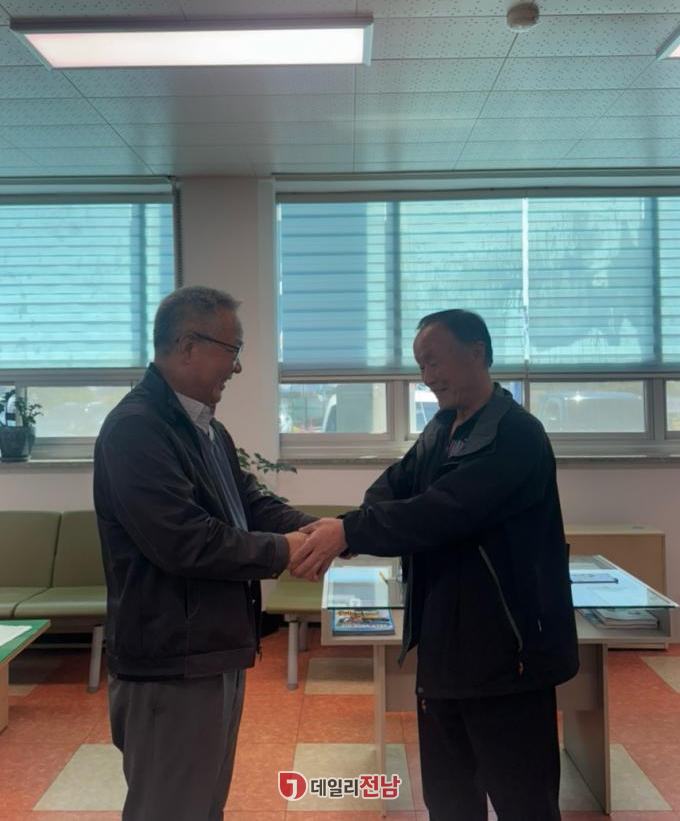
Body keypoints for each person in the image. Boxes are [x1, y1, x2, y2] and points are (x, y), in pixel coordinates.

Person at [290, 309, 579, 821]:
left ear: (477, 353)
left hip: (509, 656)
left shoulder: (517, 435)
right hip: (445, 649)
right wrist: (347, 528)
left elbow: (446, 509)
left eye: (435, 362)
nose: (427, 376)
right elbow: (395, 486)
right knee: (448, 798)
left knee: (523, 800)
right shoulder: (442, 428)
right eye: (421, 365)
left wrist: (350, 532)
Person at [93, 285, 313, 821]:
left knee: (203, 806)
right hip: (171, 661)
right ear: (188, 345)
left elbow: (249, 503)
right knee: (170, 808)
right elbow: (186, 541)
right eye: (232, 350)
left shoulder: (205, 428)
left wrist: (322, 531)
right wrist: (286, 550)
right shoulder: (137, 429)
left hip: (213, 649)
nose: (237, 367)